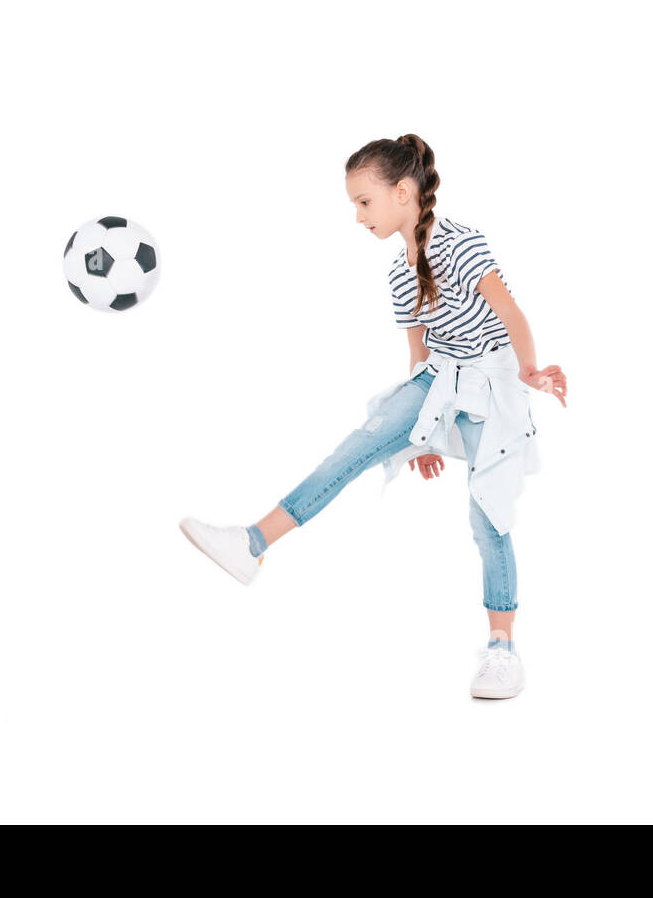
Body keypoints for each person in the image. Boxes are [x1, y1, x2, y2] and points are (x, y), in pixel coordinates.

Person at [179, 134, 568, 700]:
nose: (358, 217)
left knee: (489, 514)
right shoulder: (397, 272)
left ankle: (502, 649)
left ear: (404, 192)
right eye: (354, 205)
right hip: (439, 381)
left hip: (491, 383)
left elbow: (510, 311)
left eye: (364, 202)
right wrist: (422, 437)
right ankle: (253, 542)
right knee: (357, 448)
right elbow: (419, 356)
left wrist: (529, 369)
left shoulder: (461, 245)